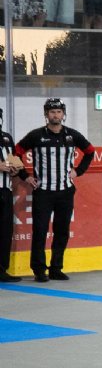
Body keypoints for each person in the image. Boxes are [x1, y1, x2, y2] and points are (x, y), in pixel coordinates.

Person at [14, 99, 95, 282]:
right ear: (46, 114)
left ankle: (56, 268)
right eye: (52, 112)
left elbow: (90, 151)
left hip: (65, 191)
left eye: (58, 111)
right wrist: (25, 175)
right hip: (43, 191)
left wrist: (78, 171)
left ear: (63, 114)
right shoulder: (36, 135)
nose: (55, 115)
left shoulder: (72, 135)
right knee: (40, 231)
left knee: (62, 231)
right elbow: (15, 152)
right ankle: (39, 270)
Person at [0, 116, 19, 281]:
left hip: (5, 191)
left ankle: (2, 270)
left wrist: (15, 168)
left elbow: (14, 161)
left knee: (5, 232)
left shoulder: (6, 137)